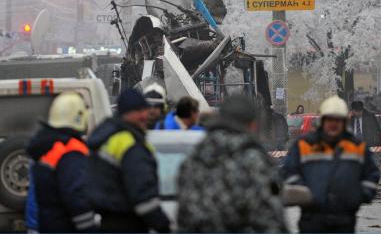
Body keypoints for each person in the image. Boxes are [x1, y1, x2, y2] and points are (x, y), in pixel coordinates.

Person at [177, 95, 287, 232]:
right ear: (252, 124)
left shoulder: (194, 157)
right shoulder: (252, 160)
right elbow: (269, 219)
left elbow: (183, 215)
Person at [281, 95, 380, 233]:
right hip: (312, 219)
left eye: (338, 120)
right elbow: (289, 172)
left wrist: (360, 195)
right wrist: (305, 193)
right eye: (330, 119)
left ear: (345, 121)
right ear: (322, 120)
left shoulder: (357, 146)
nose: (334, 124)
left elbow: (372, 174)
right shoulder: (304, 144)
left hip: (345, 219)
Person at [87, 89, 170, 232]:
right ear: (126, 113)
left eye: (145, 109)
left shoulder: (107, 136)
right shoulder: (130, 143)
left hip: (107, 222)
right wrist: (165, 226)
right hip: (128, 223)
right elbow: (143, 196)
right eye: (139, 110)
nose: (145, 114)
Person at [26, 92, 97, 232]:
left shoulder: (44, 146)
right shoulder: (70, 149)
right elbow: (76, 196)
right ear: (79, 117)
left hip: (41, 224)